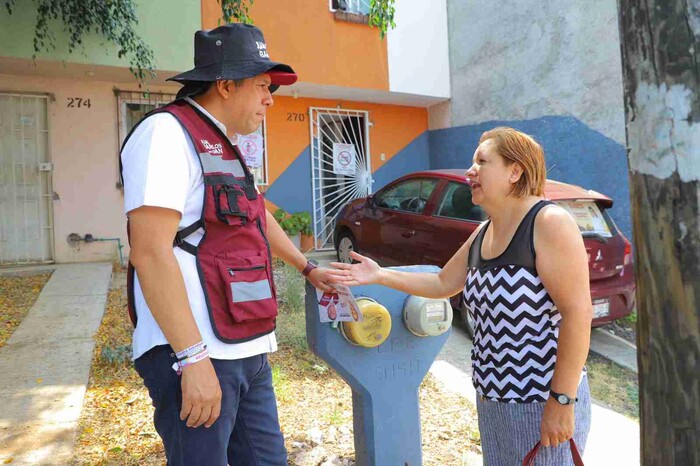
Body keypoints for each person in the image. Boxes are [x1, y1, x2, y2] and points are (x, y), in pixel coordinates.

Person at [120, 23, 333, 466]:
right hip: (195, 353)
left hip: (246, 347)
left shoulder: (225, 145)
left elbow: (258, 215)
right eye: (261, 86)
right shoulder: (165, 134)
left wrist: (308, 268)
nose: (270, 99)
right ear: (224, 85)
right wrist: (192, 358)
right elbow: (150, 251)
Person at [329, 127, 592, 465]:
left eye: (482, 161)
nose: (471, 171)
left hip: (541, 402)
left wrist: (562, 400)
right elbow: (441, 284)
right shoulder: (485, 232)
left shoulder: (549, 223)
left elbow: (578, 313)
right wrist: (380, 275)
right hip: (494, 403)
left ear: (515, 172)